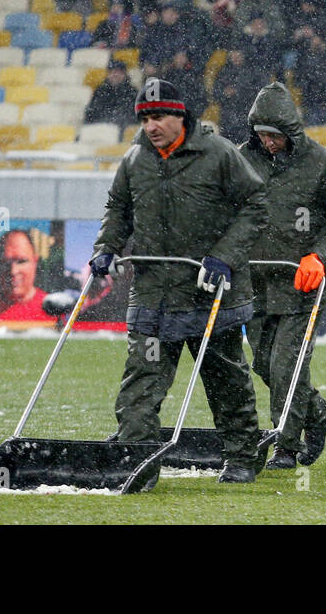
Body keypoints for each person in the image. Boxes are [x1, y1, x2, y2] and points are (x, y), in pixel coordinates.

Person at [92, 77, 270, 487]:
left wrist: (223, 256)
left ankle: (242, 456)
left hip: (212, 296)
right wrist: (107, 246)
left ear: (180, 116)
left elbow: (255, 206)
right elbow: (118, 208)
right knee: (140, 386)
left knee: (226, 382)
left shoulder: (220, 153)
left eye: (159, 117)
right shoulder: (134, 159)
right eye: (145, 118)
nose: (151, 126)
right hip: (153, 295)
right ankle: (137, 464)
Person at [239, 82, 326, 469]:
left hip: (303, 283)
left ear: (290, 132)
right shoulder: (241, 159)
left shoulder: (323, 164)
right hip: (255, 282)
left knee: (286, 366)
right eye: (261, 135)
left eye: (274, 135)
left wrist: (320, 257)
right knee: (262, 364)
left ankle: (286, 446)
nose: (268, 142)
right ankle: (320, 413)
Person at [83, 59, 138, 132]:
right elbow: (91, 113)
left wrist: (115, 123)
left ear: (124, 74)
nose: (115, 74)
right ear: (108, 74)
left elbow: (133, 116)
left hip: (122, 131)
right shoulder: (100, 91)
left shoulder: (132, 92)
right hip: (100, 130)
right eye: (112, 72)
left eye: (119, 72)